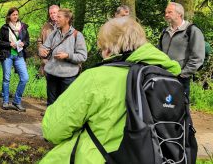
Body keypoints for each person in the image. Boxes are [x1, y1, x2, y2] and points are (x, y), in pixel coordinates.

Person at [41, 17, 181, 164]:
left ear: (108, 47)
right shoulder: (167, 77)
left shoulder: (96, 78)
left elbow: (52, 130)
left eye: (101, 46)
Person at [39, 9, 87, 106]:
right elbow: (44, 47)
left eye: (59, 17)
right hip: (52, 73)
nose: (56, 19)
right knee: (51, 105)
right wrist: (42, 51)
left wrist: (68, 56)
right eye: (56, 17)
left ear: (67, 19)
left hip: (68, 76)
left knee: (64, 105)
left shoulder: (77, 35)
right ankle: (50, 121)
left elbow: (83, 56)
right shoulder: (54, 33)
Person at [158, 2, 205, 97]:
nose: (166, 15)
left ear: (179, 14)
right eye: (165, 12)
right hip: (163, 76)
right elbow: (159, 53)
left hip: (181, 78)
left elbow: (198, 57)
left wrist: (183, 74)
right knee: (164, 108)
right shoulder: (165, 32)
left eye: (169, 12)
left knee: (180, 109)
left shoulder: (192, 30)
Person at [0, 7, 30, 112]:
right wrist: (10, 44)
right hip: (7, 55)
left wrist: (24, 43)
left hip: (19, 55)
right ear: (9, 16)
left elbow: (27, 41)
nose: (15, 16)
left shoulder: (23, 27)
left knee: (25, 78)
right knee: (7, 78)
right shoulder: (4, 28)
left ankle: (16, 101)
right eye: (13, 14)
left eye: (16, 14)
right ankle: (5, 101)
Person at [37, 5, 59, 77]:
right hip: (47, 60)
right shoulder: (45, 26)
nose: (52, 15)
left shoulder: (65, 25)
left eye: (54, 13)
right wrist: (41, 50)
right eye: (51, 13)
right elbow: (39, 41)